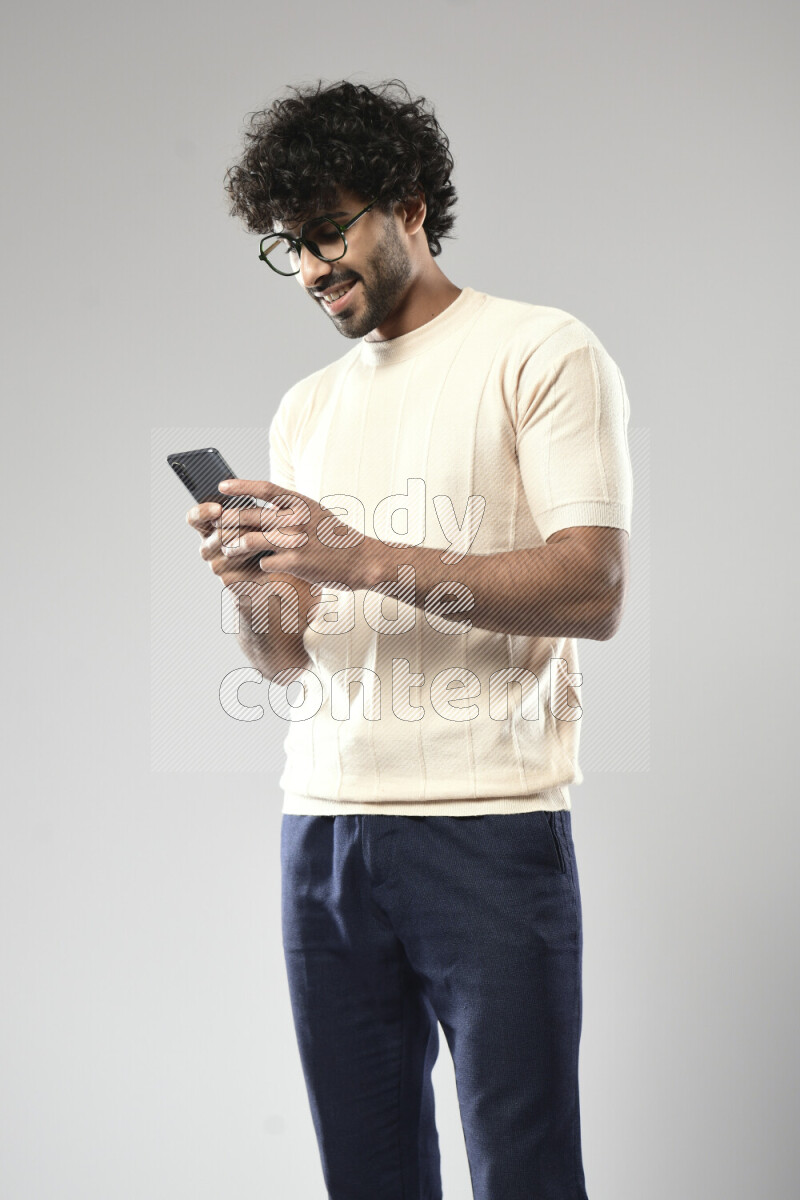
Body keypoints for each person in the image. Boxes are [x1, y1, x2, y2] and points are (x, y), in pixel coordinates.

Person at [186, 78, 632, 1200]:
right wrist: (252, 589)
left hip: (486, 830)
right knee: (366, 1176)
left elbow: (592, 589)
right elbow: (286, 661)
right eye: (288, 245)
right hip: (323, 830)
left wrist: (355, 557)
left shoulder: (540, 350)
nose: (308, 268)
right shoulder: (306, 405)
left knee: (524, 1171)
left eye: (326, 232)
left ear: (411, 207)